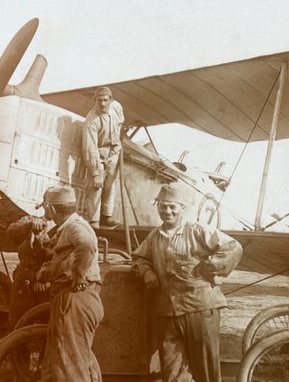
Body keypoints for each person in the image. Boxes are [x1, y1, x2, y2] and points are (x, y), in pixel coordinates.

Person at [132, 181, 242, 382]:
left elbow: (233, 247)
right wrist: (147, 271)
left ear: (182, 208)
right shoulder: (155, 236)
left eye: (172, 207)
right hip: (168, 312)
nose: (167, 211)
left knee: (205, 370)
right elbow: (139, 257)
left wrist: (209, 267)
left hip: (200, 309)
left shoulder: (197, 230)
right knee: (171, 370)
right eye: (163, 206)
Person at [35, 185, 104, 382]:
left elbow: (87, 245)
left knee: (70, 369)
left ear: (52, 209)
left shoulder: (75, 227)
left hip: (74, 300)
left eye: (46, 208)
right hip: (69, 299)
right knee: (55, 363)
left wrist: (78, 275)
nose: (45, 211)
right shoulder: (67, 227)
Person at [82, 86, 124, 229]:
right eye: (99, 100)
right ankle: (94, 220)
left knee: (110, 184)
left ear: (111, 100)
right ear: (95, 101)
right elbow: (90, 148)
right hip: (99, 153)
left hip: (114, 151)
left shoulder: (117, 107)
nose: (103, 104)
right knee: (96, 185)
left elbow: (120, 122)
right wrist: (95, 173)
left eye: (106, 100)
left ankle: (106, 215)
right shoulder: (91, 120)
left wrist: (117, 144)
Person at [6, 215, 51, 330]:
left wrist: (43, 278)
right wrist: (29, 227)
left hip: (46, 280)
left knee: (45, 320)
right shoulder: (31, 219)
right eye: (47, 201)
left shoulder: (63, 227)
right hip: (24, 279)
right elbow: (11, 231)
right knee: (18, 320)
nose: (48, 205)